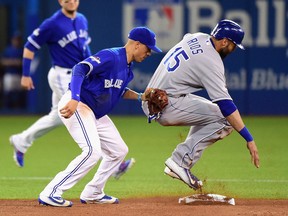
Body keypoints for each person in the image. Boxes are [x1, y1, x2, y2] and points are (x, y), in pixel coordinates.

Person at [38, 26, 162, 207]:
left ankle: (93, 192)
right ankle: (51, 192)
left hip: (94, 112)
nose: (149, 53)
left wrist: (140, 96)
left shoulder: (128, 68)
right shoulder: (111, 56)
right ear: (137, 44)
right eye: (148, 48)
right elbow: (80, 68)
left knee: (119, 150)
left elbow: (118, 90)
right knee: (91, 152)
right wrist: (74, 98)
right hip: (79, 105)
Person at [9, 0, 134, 177]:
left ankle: (21, 140)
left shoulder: (82, 19)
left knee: (57, 116)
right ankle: (116, 161)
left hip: (78, 74)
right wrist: (25, 74)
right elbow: (30, 47)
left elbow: (85, 48)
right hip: (63, 75)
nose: (71, 1)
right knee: (87, 108)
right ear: (60, 1)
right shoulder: (51, 24)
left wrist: (93, 66)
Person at [141, 19, 260, 190]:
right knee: (225, 119)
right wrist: (249, 138)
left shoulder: (197, 37)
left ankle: (181, 160)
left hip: (154, 98)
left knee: (215, 113)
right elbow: (227, 106)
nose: (233, 50)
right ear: (225, 42)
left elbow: (187, 41)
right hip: (167, 106)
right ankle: (179, 161)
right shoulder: (211, 61)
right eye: (234, 45)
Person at [0, 32, 26, 109]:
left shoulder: (22, 50)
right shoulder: (8, 50)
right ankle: (7, 110)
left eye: (18, 40)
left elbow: (25, 62)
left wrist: (18, 62)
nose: (17, 41)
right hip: (9, 74)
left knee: (18, 93)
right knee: (8, 92)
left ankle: (18, 111)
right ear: (12, 40)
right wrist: (12, 62)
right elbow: (2, 61)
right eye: (15, 39)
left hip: (19, 74)